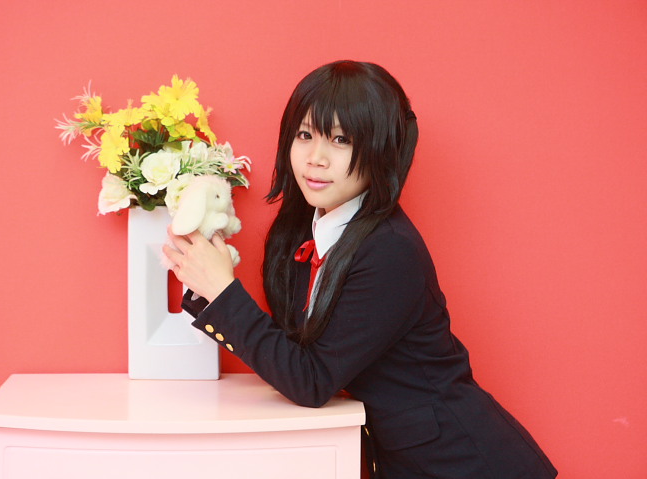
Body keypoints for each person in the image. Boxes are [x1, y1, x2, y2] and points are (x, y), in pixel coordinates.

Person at [163, 60, 558, 479]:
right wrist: (207, 281)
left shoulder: (390, 250)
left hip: (466, 464)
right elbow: (297, 356)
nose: (315, 158)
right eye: (305, 135)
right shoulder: (303, 231)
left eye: (340, 140)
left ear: (379, 151)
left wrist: (223, 291)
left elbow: (311, 380)